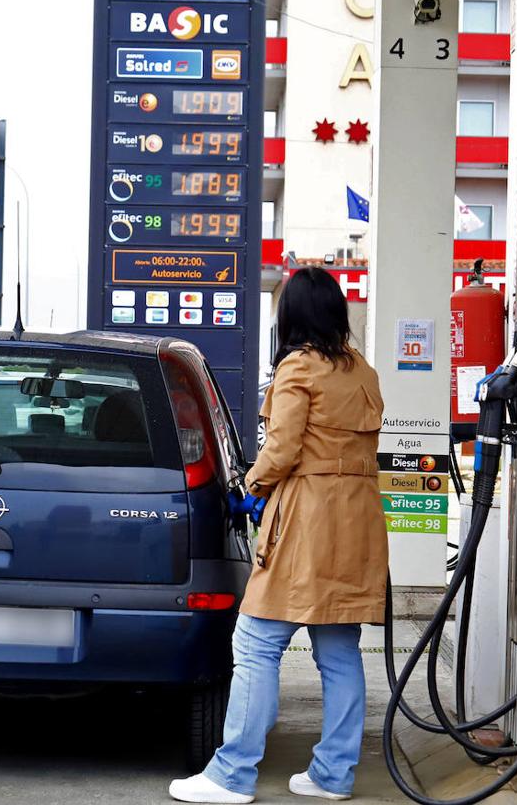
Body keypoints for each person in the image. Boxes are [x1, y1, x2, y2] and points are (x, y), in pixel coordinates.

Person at [170, 267, 387, 804]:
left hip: (308, 519)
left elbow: (284, 447)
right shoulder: (362, 370)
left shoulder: (298, 368)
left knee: (256, 642)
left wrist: (248, 483)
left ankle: (232, 774)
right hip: (357, 520)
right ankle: (333, 775)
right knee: (339, 649)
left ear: (292, 315)